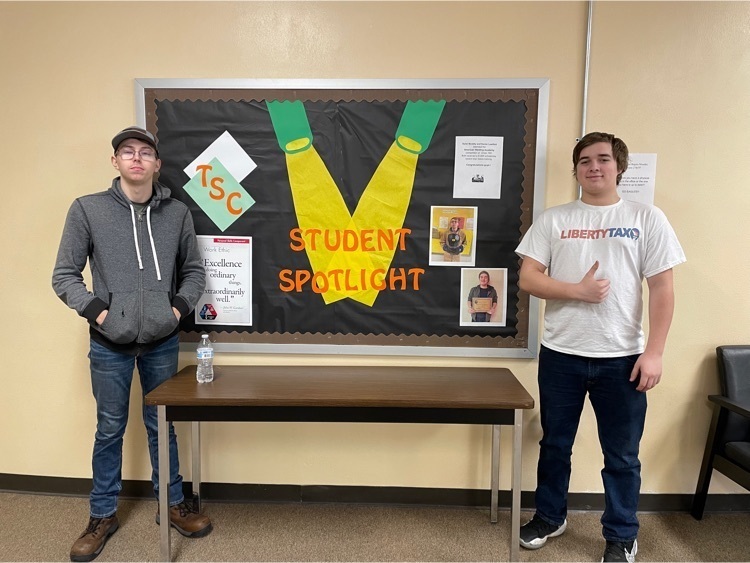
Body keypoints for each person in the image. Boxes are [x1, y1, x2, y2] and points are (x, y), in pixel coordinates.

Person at [514, 132, 685, 562]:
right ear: (575, 170)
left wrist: (656, 352)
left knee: (622, 455)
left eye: (603, 159)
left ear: (619, 167)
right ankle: (551, 517)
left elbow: (663, 289)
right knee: (555, 443)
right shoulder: (553, 220)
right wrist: (576, 291)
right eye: (585, 160)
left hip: (623, 358)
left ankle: (622, 533)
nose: (594, 167)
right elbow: (528, 278)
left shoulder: (647, 217)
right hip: (561, 354)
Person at [52, 126, 212, 562]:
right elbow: (64, 276)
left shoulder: (176, 213)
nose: (136, 158)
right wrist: (101, 313)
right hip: (109, 344)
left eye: (145, 152)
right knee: (109, 429)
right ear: (116, 162)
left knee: (164, 426)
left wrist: (174, 311)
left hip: (162, 342)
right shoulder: (87, 210)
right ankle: (102, 514)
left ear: (157, 165)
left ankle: (172, 504)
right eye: (128, 152)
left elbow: (194, 272)